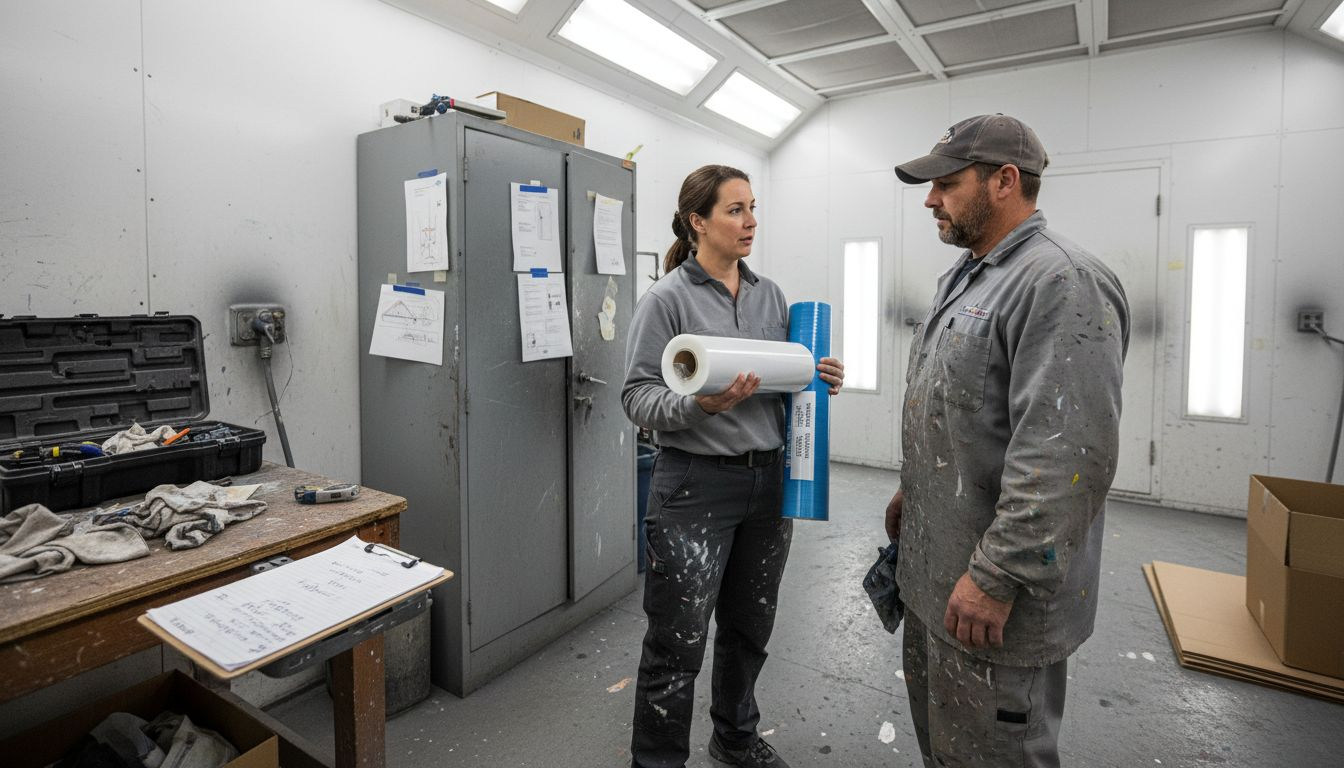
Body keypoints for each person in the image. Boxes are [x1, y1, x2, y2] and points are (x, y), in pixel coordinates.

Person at [887, 115, 1129, 767]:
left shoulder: (1062, 282)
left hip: (993, 603)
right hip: (938, 578)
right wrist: (915, 490)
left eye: (946, 183)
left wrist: (997, 576)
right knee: (947, 750)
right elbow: (959, 409)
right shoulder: (969, 277)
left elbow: (1067, 455)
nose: (931, 198)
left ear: (1004, 181)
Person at [622, 164, 844, 768]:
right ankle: (659, 761)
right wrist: (698, 405)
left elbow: (782, 382)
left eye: (753, 209)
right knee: (677, 640)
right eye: (735, 210)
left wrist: (817, 378)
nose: (750, 222)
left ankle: (735, 736)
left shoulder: (771, 295)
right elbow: (637, 398)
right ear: (698, 221)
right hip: (695, 485)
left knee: (749, 628)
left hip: (768, 483)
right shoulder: (666, 300)